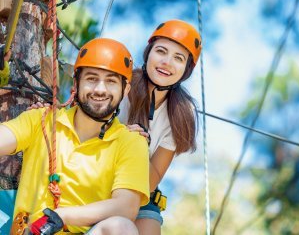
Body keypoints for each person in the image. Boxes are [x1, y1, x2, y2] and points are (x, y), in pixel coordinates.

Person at [0, 38, 149, 234]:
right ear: (76, 83)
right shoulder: (42, 120)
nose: (100, 89)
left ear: (126, 89)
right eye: (92, 78)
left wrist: (63, 216)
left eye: (111, 81)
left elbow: (126, 207)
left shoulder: (131, 141)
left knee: (121, 227)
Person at [119, 19, 202, 235]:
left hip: (139, 192)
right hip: (97, 175)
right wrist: (121, 137)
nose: (167, 62)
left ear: (186, 69)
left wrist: (136, 147)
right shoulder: (120, 85)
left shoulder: (181, 114)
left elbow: (151, 180)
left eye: (178, 58)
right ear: (148, 53)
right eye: (161, 51)